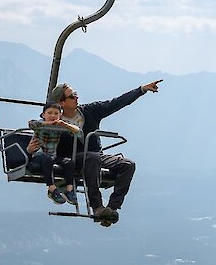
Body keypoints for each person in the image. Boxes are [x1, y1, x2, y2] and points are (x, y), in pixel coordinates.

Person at [31, 79, 162, 225]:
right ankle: (97, 207)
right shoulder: (54, 120)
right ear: (62, 102)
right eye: (72, 96)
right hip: (71, 158)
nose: (76, 97)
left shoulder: (90, 111)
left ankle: (112, 208)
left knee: (128, 165)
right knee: (92, 158)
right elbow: (41, 139)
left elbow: (116, 103)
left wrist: (141, 90)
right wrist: (31, 149)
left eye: (75, 94)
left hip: (96, 155)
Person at [27, 102, 81, 208]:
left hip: (53, 156)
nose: (52, 116)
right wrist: (49, 124)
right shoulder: (40, 124)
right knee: (47, 160)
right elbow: (31, 124)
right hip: (39, 156)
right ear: (43, 115)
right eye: (49, 113)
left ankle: (69, 190)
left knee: (69, 162)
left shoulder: (60, 126)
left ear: (60, 115)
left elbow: (78, 131)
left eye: (56, 113)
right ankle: (51, 189)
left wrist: (64, 125)